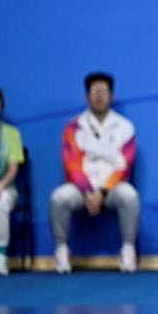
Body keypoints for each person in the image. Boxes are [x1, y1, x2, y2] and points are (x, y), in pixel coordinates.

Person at [50, 73, 139, 274]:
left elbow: (124, 166)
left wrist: (103, 191)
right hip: (82, 190)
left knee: (130, 195)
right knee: (59, 197)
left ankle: (128, 250)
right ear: (86, 97)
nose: (99, 96)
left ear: (112, 96)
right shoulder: (73, 126)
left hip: (112, 188)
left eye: (104, 91)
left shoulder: (125, 127)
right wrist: (88, 192)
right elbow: (71, 164)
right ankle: (62, 251)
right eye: (94, 91)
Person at [0, 85, 25, 276]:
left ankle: (1, 257)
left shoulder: (11, 133)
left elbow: (13, 168)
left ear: (1, 105)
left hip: (5, 185)